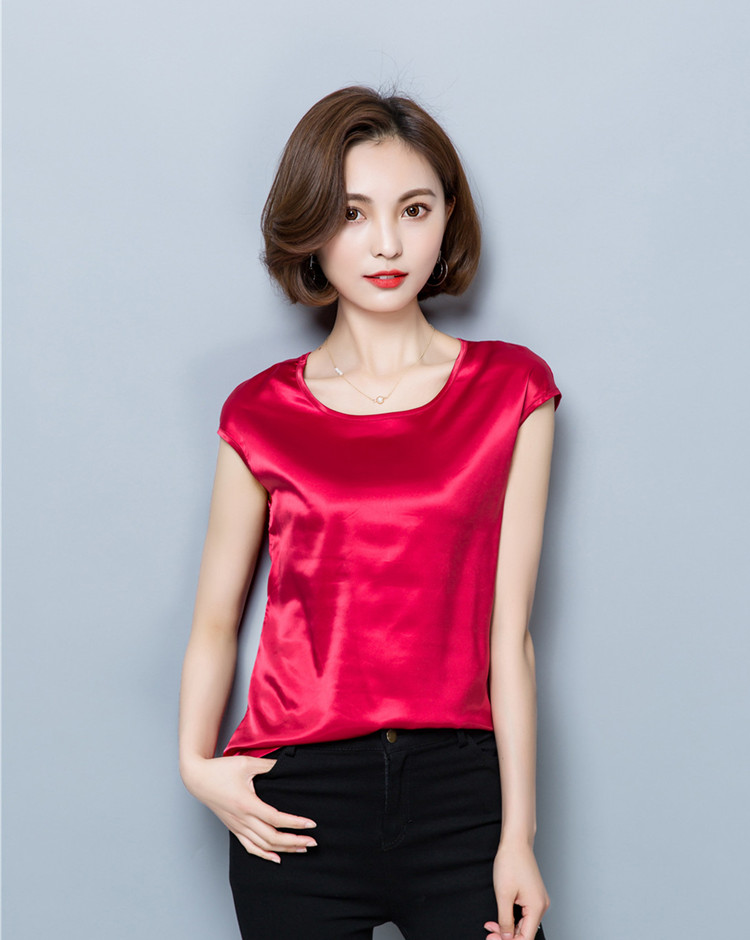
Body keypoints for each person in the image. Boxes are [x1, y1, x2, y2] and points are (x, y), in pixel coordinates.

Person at [179, 86, 560, 940]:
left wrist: (518, 838)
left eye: (413, 210)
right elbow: (214, 621)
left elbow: (512, 638)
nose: (387, 243)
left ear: (447, 218)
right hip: (296, 799)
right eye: (353, 214)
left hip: (461, 794)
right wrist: (196, 767)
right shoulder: (260, 413)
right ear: (314, 227)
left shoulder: (512, 390)